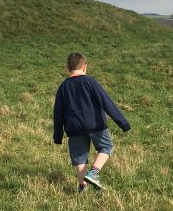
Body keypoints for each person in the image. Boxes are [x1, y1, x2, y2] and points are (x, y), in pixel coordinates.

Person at [53, 52, 130, 193]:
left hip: (73, 128)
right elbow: (107, 102)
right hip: (95, 125)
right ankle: (94, 173)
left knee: (79, 157)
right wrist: (123, 123)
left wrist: (57, 136)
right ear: (85, 67)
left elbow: (57, 113)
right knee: (106, 147)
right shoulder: (90, 82)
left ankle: (82, 186)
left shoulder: (63, 87)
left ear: (67, 68)